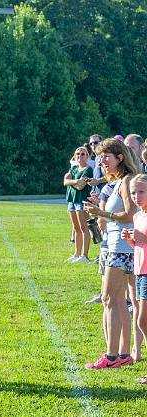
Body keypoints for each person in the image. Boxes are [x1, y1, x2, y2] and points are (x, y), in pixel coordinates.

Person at [84, 138, 140, 369]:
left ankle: (112, 356)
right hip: (114, 246)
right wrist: (101, 208)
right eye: (100, 156)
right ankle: (123, 355)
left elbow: (130, 214)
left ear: (120, 158)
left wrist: (103, 213)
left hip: (122, 249)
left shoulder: (127, 181)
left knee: (109, 299)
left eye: (107, 156)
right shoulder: (117, 182)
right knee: (117, 301)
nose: (102, 161)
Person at [121, 174, 147, 374]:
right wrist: (132, 240)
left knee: (141, 320)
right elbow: (140, 246)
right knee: (141, 318)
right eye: (133, 192)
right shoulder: (138, 216)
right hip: (139, 271)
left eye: (141, 191)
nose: (136, 196)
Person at [64, 146, 93, 262]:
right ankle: (76, 254)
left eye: (83, 154)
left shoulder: (88, 169)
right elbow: (65, 182)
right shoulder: (74, 169)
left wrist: (71, 182)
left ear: (88, 157)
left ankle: (84, 255)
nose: (79, 156)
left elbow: (81, 186)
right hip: (72, 200)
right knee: (76, 228)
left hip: (81, 201)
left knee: (83, 227)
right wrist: (75, 181)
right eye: (77, 154)